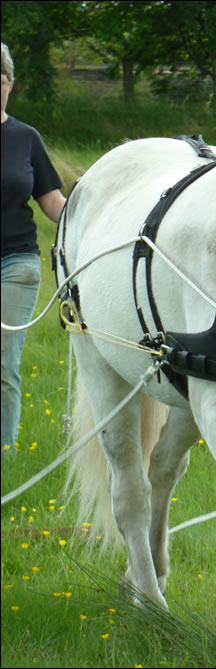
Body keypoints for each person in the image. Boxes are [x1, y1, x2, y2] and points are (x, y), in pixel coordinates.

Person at [1, 42, 66, 455]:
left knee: (3, 365)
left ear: (8, 84)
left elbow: (54, 204)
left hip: (17, 264)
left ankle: (4, 453)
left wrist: (97, 215)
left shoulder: (26, 139)